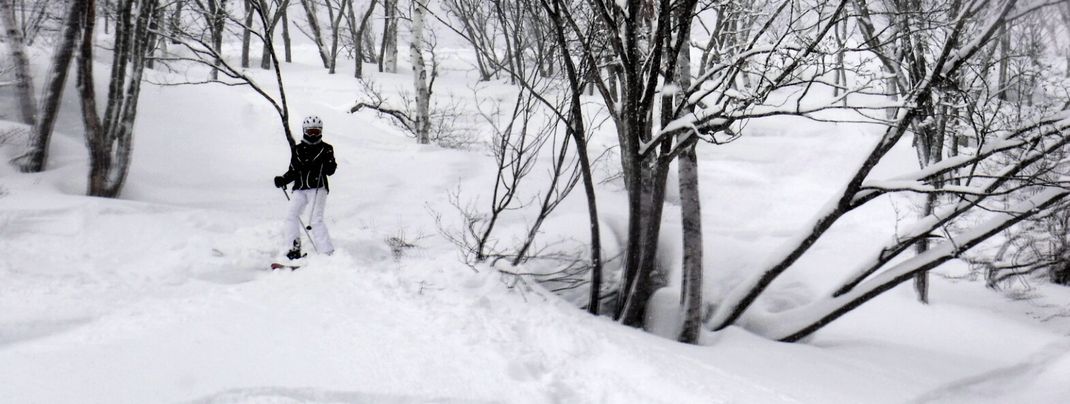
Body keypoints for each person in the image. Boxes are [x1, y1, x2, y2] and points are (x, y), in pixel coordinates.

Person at [274, 115, 337, 259]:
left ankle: (326, 252)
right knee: (291, 216)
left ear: (321, 131)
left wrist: (329, 165)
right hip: (300, 188)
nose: (313, 135)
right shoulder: (297, 149)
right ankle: (293, 249)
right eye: (310, 132)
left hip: (318, 187)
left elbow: (330, 170)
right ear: (304, 131)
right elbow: (293, 170)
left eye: (316, 132)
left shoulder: (326, 148)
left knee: (315, 219)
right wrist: (283, 179)